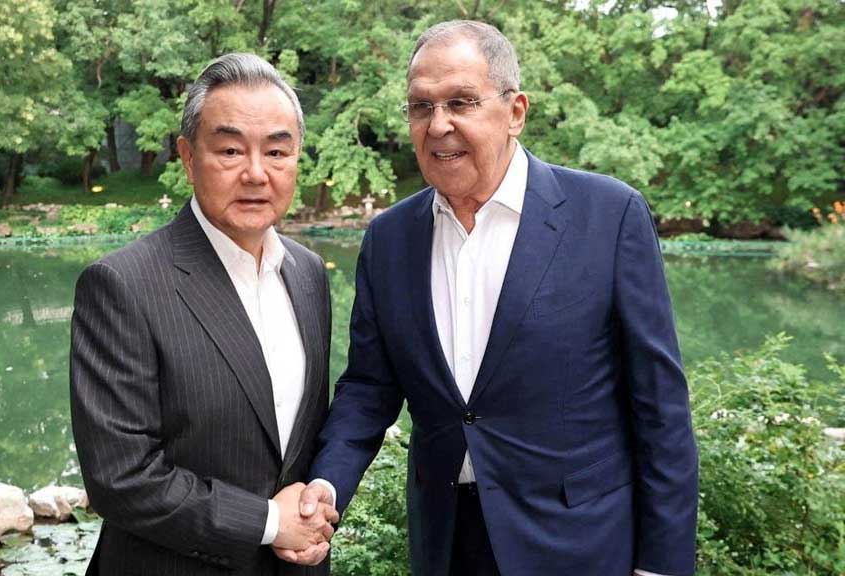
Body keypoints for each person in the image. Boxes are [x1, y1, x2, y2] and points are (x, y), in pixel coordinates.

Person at [289, 20, 698, 576]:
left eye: (461, 102)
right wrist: (326, 483)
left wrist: (661, 566)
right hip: (446, 544)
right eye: (421, 107)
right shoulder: (389, 239)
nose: (439, 125)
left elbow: (660, 409)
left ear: (515, 111)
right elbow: (368, 387)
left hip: (579, 545)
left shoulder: (608, 215)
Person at [70, 53, 337, 575]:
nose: (256, 173)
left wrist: (312, 508)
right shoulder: (123, 284)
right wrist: (268, 522)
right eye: (231, 150)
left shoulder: (307, 273)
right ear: (189, 157)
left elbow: (300, 440)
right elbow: (121, 478)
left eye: (276, 151)